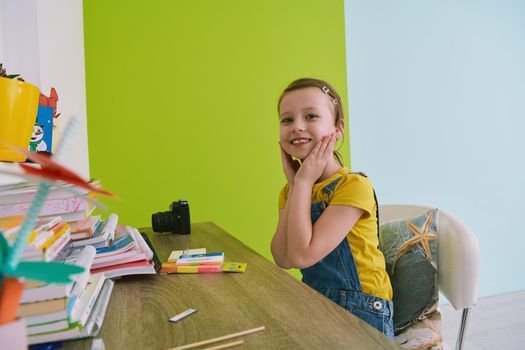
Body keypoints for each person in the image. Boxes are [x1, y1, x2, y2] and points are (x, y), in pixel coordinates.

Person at [270, 78, 394, 337]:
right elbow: (283, 258)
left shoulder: (353, 186)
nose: (297, 127)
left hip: (364, 310)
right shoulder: (293, 190)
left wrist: (303, 182)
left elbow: (302, 256)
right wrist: (296, 188)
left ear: (337, 128)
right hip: (315, 302)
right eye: (287, 120)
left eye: (311, 116)